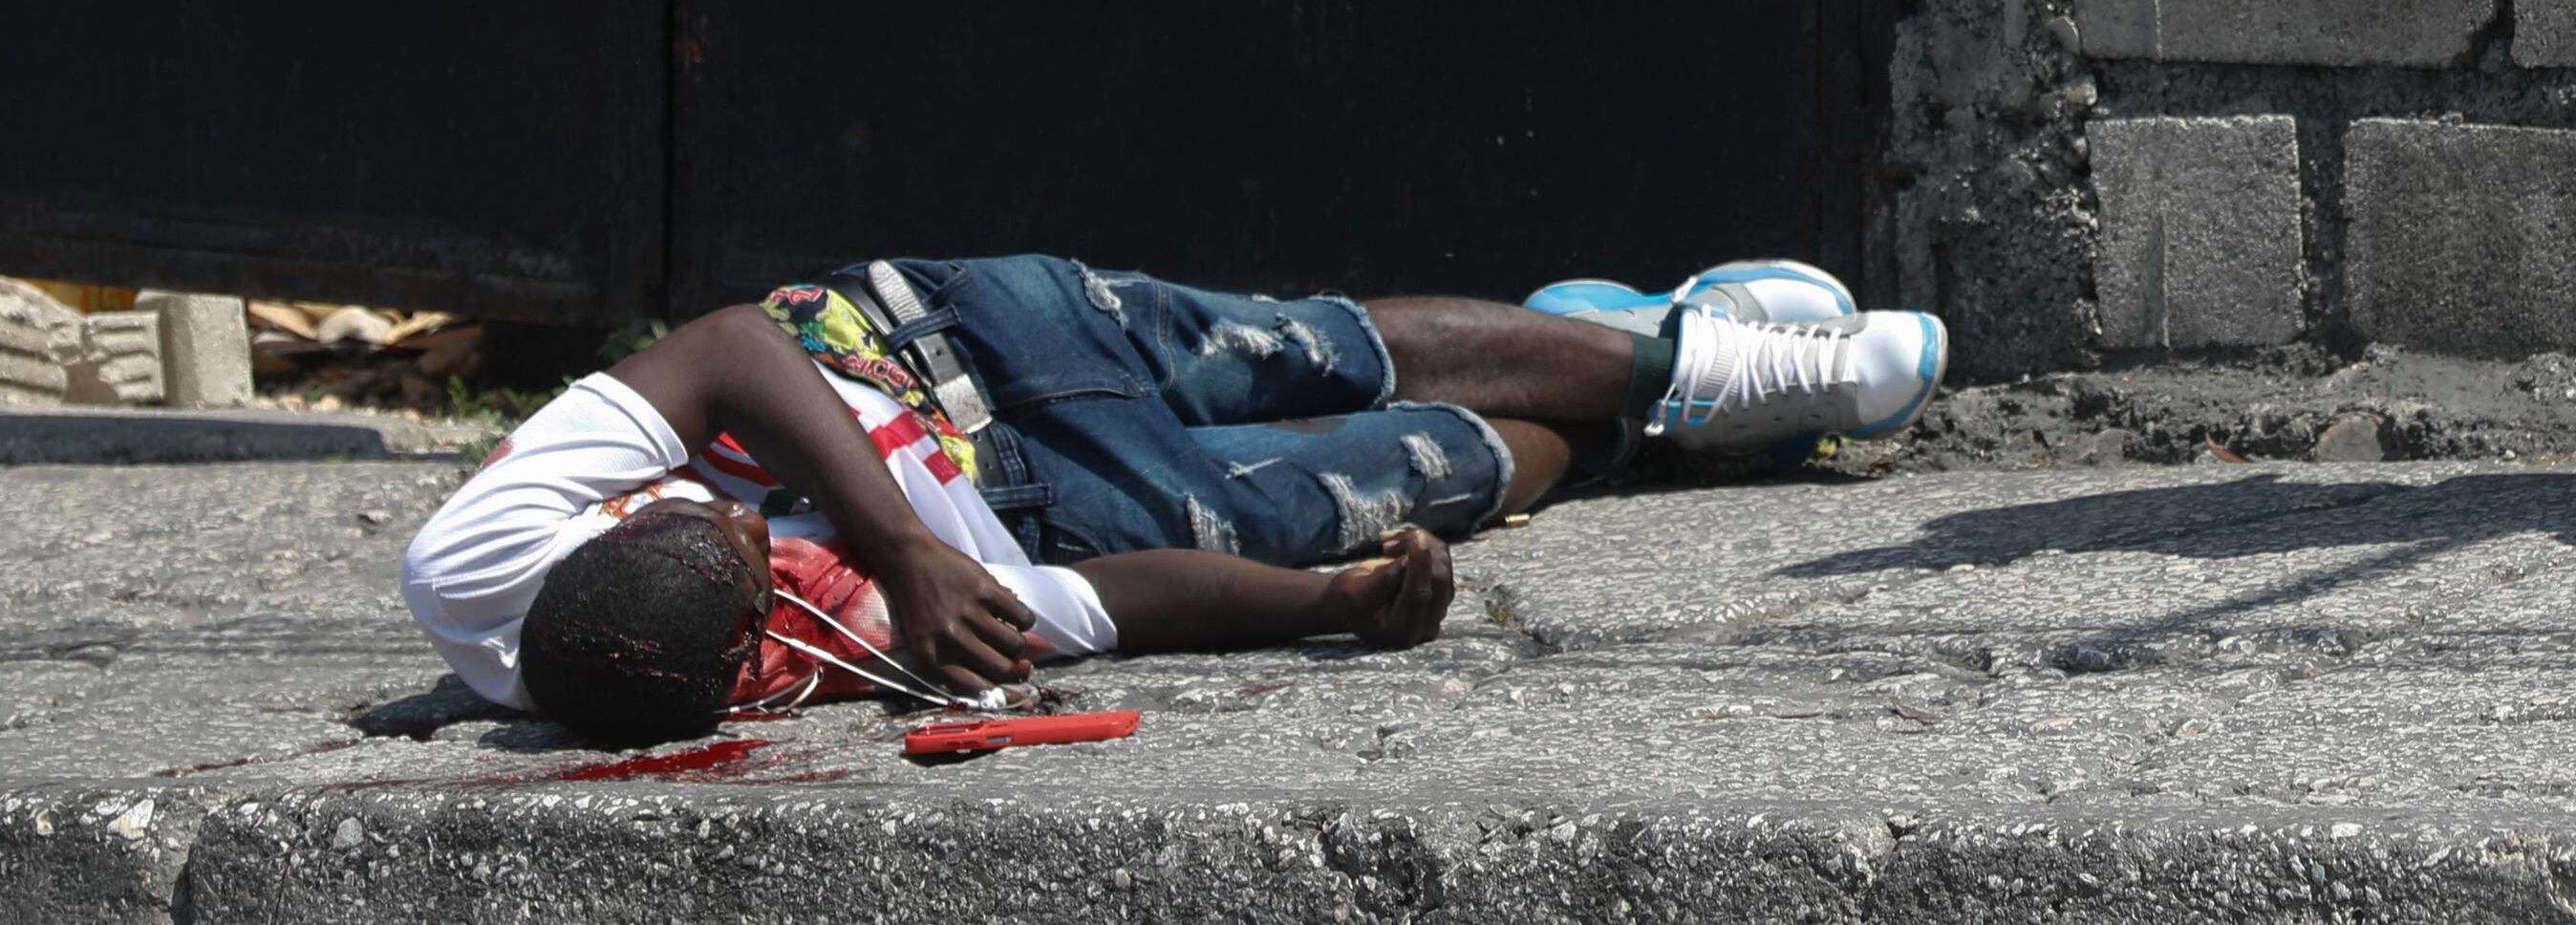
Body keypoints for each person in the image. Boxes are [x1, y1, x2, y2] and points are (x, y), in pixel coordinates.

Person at [402, 255, 1939, 742]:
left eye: (718, 512)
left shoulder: (475, 557)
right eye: (757, 554)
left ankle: (1685, 352)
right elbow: (1101, 611)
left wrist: (890, 537)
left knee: (1297, 344)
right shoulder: (805, 648)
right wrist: (1340, 607)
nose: (752, 520)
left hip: (910, 338)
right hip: (1066, 515)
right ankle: (1629, 414)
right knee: (1418, 476)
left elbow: (731, 350)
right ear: (746, 650)